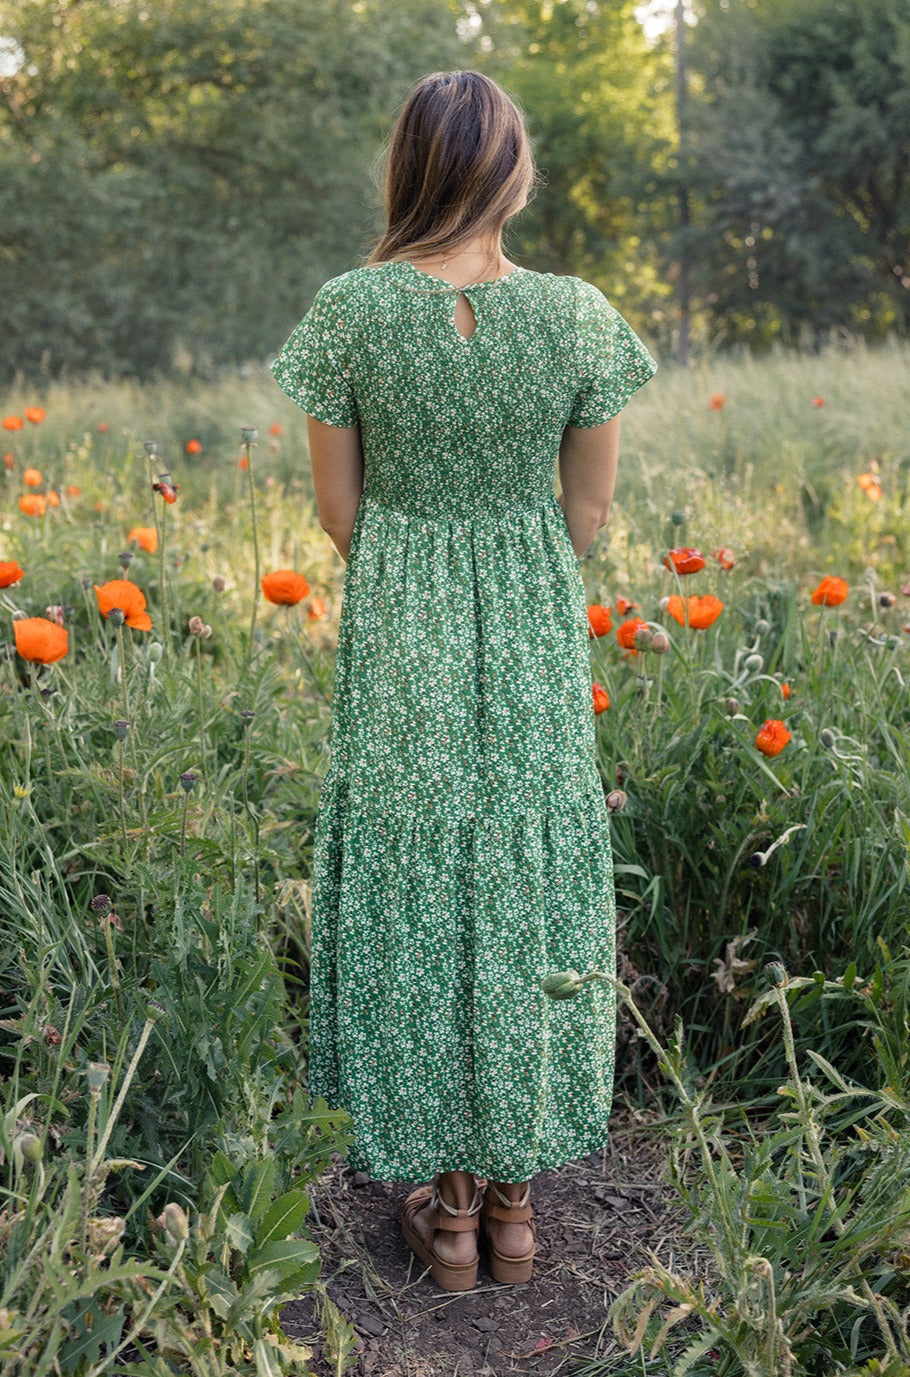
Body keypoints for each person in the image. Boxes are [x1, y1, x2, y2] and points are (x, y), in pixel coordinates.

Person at [270, 68, 658, 1292]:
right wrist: (506, 560)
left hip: (402, 634)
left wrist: (426, 569)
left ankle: (441, 1215)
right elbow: (585, 516)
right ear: (515, 172)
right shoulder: (582, 316)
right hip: (532, 630)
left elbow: (342, 514)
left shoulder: (346, 312)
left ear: (407, 168)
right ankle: (516, 1206)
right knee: (524, 872)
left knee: (419, 881)